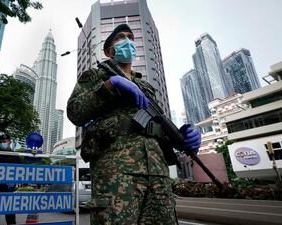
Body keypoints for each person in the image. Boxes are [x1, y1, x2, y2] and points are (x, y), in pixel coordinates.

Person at [67, 24, 201, 225]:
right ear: (108, 50)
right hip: (116, 173)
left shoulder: (147, 87)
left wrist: (183, 139)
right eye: (120, 38)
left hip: (158, 175)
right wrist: (110, 85)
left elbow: (156, 126)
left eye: (130, 37)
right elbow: (75, 112)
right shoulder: (96, 76)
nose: (128, 41)